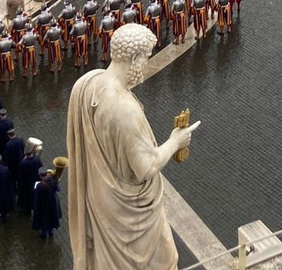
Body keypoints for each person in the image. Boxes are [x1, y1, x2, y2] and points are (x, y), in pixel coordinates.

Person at [65, 23, 197, 266]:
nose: (146, 64)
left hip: (103, 200)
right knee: (166, 261)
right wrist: (175, 141)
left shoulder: (89, 83)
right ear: (134, 57)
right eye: (145, 58)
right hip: (131, 214)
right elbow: (146, 167)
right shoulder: (125, 109)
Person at [32, 167, 61, 240]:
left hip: (44, 204)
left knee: (44, 218)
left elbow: (37, 196)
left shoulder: (39, 186)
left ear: (40, 175)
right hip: (53, 203)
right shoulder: (53, 181)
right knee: (52, 215)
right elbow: (59, 189)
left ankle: (44, 233)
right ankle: (51, 231)